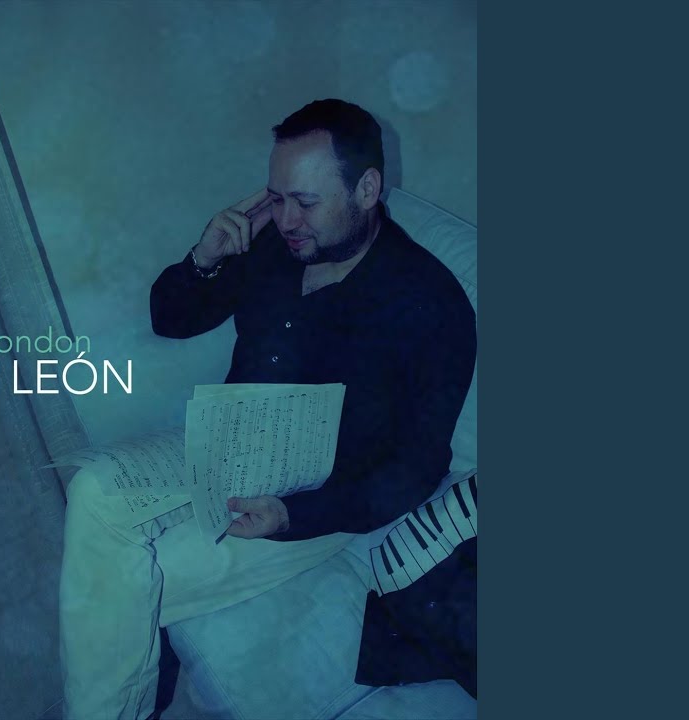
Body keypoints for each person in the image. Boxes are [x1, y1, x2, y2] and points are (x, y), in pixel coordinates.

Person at [58, 98, 477, 719]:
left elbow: (418, 468)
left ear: (366, 190)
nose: (286, 218)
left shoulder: (430, 306)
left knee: (120, 579)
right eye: (277, 198)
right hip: (223, 445)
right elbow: (170, 318)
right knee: (91, 489)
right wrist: (205, 259)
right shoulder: (279, 247)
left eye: (305, 201)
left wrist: (292, 514)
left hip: (316, 493)